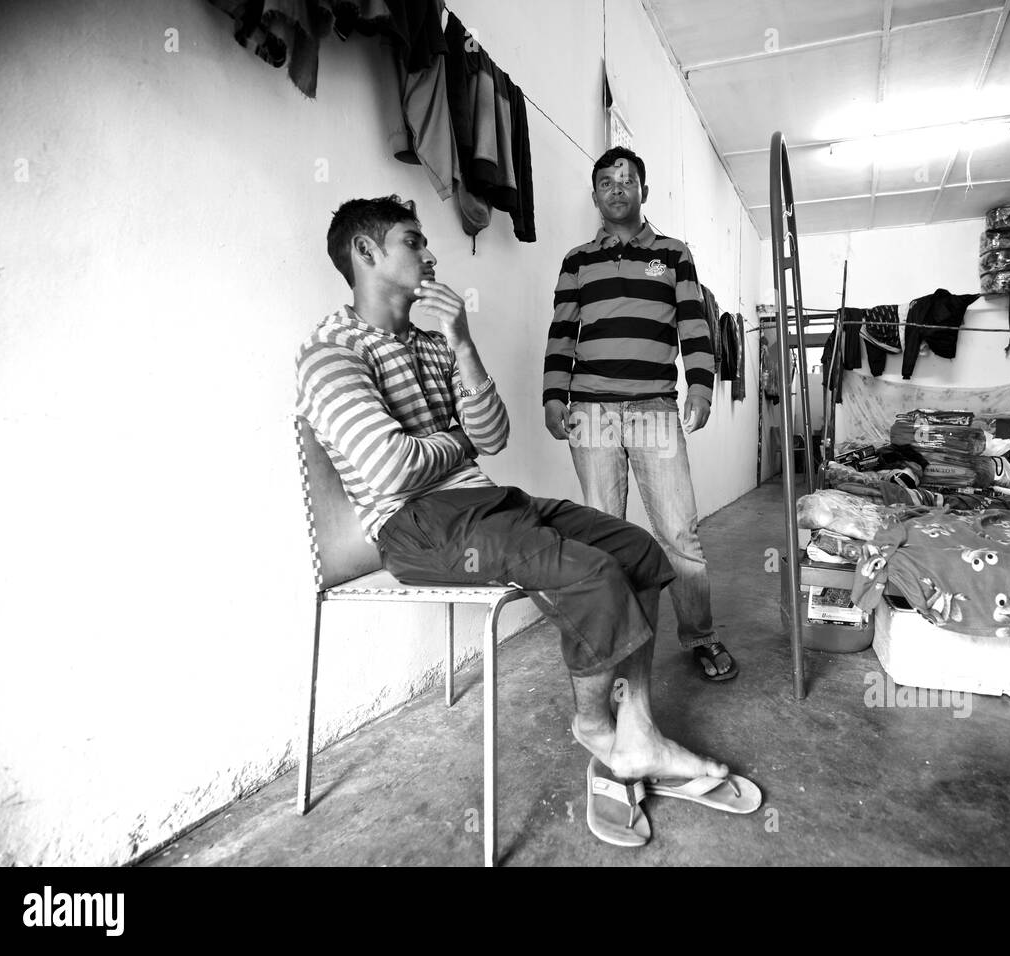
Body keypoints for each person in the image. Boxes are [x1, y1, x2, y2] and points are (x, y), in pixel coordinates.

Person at [295, 195, 740, 846]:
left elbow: (494, 435)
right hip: (413, 525)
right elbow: (389, 470)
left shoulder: (431, 342)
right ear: (366, 253)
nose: (431, 254)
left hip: (483, 501)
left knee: (639, 551)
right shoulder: (330, 353)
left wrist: (463, 347)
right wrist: (455, 442)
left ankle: (638, 735)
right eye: (413, 242)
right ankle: (597, 730)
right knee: (590, 576)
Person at [542, 147, 738, 682]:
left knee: (679, 533)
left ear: (644, 192)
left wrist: (700, 386)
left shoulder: (674, 255)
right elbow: (562, 333)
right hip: (590, 413)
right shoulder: (576, 261)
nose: (617, 188)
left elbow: (694, 325)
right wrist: (553, 394)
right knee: (602, 532)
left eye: (627, 180)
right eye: (605, 182)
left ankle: (699, 636)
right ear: (596, 196)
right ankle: (616, 641)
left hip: (654, 407)